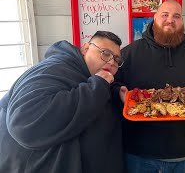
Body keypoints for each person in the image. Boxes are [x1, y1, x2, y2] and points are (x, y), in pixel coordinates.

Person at [112, 0, 185, 173]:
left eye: (176, 16)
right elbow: (112, 84)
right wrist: (119, 93)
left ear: (182, 21)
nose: (170, 20)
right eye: (164, 14)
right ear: (155, 17)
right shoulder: (129, 54)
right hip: (139, 154)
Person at [0, 31, 125, 173]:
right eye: (105, 53)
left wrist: (114, 91)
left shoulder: (86, 72)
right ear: (85, 49)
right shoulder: (54, 67)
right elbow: (24, 121)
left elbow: (84, 89)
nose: (111, 62)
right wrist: (98, 86)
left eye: (116, 60)